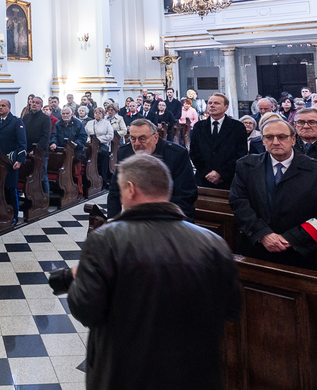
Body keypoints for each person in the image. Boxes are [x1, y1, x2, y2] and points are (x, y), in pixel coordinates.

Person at [67, 154, 241, 390]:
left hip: (126, 374)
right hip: (195, 375)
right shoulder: (213, 242)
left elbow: (86, 310)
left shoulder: (105, 239)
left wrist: (79, 281)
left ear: (130, 189)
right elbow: (232, 309)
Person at [229, 117, 317, 272]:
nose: (275, 142)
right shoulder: (246, 166)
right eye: (269, 137)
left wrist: (291, 239)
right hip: (258, 249)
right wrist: (263, 234)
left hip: (304, 254)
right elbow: (239, 203)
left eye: (282, 137)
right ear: (262, 140)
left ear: (293, 139)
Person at [109, 119, 198, 220]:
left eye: (142, 139)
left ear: (155, 138)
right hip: (133, 216)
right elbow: (115, 191)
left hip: (167, 218)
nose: (137, 143)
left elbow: (185, 195)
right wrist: (112, 220)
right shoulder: (124, 152)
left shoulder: (176, 154)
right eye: (133, 139)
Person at [189, 93, 247, 189]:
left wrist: (221, 173)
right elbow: (194, 152)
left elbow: (241, 153)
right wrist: (207, 172)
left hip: (228, 179)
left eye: (216, 103)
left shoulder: (237, 127)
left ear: (226, 107)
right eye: (210, 103)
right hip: (204, 179)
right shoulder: (199, 127)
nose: (212, 105)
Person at [0, 99, 27, 222]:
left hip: (9, 160)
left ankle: (13, 214)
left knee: (10, 188)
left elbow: (22, 142)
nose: (0, 108)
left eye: (3, 106)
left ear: (9, 107)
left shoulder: (16, 121)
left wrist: (19, 160)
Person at [23, 96, 52, 196]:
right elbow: (23, 134)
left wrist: (35, 150)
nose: (34, 104)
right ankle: (32, 197)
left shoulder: (45, 119)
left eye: (37, 103)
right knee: (29, 176)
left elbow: (45, 137)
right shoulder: (26, 117)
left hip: (40, 152)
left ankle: (45, 198)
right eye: (33, 102)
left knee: (42, 176)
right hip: (27, 151)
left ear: (41, 106)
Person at [85, 106, 115, 188]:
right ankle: (91, 181)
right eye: (95, 113)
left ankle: (103, 182)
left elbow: (110, 135)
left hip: (102, 147)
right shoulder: (90, 123)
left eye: (99, 113)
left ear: (103, 114)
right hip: (91, 147)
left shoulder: (106, 123)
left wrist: (98, 140)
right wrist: (89, 140)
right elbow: (86, 134)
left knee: (102, 166)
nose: (97, 114)